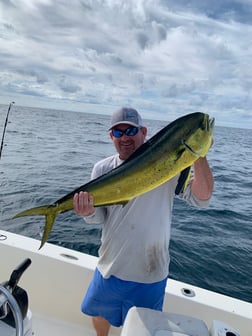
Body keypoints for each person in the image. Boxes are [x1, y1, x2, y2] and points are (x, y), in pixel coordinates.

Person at [73, 107, 214, 336]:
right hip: (110, 266)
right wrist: (86, 212)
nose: (125, 137)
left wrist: (200, 153)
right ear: (111, 137)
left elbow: (202, 198)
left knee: (143, 327)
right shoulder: (102, 169)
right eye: (118, 133)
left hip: (150, 273)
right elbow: (98, 218)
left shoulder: (171, 163)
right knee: (99, 314)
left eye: (130, 130)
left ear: (144, 132)